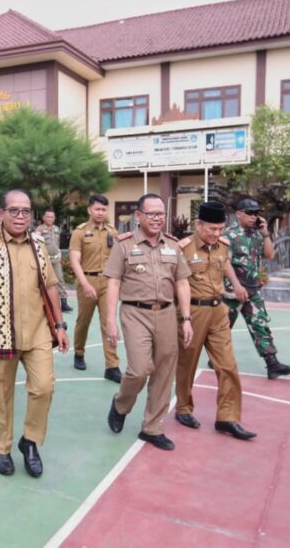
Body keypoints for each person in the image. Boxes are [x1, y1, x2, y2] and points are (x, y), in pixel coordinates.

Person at [0, 189, 69, 477]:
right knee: (1, 394)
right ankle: (2, 448)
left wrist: (59, 325)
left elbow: (50, 286)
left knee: (44, 387)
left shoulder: (38, 244)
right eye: (14, 211)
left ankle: (30, 441)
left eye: (26, 211)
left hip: (37, 332)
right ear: (1, 214)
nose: (21, 216)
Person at [104, 193, 193, 451]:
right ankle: (121, 404)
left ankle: (152, 428)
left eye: (161, 214)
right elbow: (113, 282)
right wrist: (110, 320)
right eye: (152, 213)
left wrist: (186, 318)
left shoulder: (173, 245)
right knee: (139, 369)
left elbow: (182, 282)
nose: (157, 218)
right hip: (135, 312)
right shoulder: (123, 245)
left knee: (164, 372)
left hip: (166, 313)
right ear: (138, 216)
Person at [175, 202, 256, 440]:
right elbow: (177, 283)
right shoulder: (183, 248)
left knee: (228, 365)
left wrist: (237, 285)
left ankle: (227, 418)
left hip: (219, 311)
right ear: (198, 225)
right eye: (212, 229)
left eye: (220, 229)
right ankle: (183, 408)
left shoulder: (223, 245)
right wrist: (184, 317)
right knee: (187, 364)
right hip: (193, 312)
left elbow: (225, 263)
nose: (217, 233)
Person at [224, 198, 290, 379]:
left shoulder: (257, 234)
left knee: (260, 324)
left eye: (256, 213)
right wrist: (237, 286)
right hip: (232, 291)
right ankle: (216, 357)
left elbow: (269, 254)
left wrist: (265, 234)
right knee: (222, 328)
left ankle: (272, 364)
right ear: (238, 214)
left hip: (252, 289)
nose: (253, 216)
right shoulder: (228, 235)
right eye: (249, 213)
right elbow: (224, 263)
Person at [69, 195, 121, 380]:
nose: (100, 213)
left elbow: (118, 258)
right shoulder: (80, 232)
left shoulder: (113, 232)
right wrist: (85, 284)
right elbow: (75, 261)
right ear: (89, 210)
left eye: (104, 209)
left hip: (108, 283)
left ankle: (112, 366)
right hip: (87, 280)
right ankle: (79, 352)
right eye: (97, 209)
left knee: (109, 322)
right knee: (83, 321)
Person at [35, 207, 73, 314]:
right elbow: (36, 243)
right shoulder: (39, 229)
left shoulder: (56, 229)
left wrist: (59, 253)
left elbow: (57, 242)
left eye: (52, 217)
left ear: (54, 218)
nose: (50, 218)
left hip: (55, 259)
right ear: (43, 217)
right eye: (48, 216)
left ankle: (64, 303)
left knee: (60, 279)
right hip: (44, 260)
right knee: (43, 281)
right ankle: (43, 303)